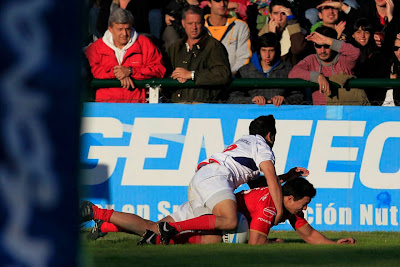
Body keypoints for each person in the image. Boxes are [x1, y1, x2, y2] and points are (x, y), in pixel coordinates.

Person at [80, 178, 356, 245]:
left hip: (210, 208)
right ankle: (96, 212)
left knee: (157, 232)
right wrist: (271, 241)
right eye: (304, 203)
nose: (305, 209)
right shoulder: (272, 203)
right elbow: (256, 243)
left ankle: (106, 226)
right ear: (291, 197)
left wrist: (335, 244)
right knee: (156, 232)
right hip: (208, 209)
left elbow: (308, 235)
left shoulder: (282, 202)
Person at [85, 8, 166, 102]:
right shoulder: (96, 48)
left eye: (127, 29)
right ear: (110, 29)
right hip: (105, 108)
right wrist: (115, 73)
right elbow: (88, 71)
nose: (124, 33)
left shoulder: (145, 44)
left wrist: (131, 71)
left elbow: (159, 70)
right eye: (120, 29)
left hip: (137, 105)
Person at [288, 26, 369, 105]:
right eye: (318, 46)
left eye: (326, 46)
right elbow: (293, 73)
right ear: (314, 46)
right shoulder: (311, 60)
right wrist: (317, 76)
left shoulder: (343, 60)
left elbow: (356, 54)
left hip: (348, 109)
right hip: (323, 113)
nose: (322, 51)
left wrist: (327, 40)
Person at [166, 5, 231, 103]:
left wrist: (192, 75)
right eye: (190, 23)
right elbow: (165, 73)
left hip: (204, 107)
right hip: (177, 106)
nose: (194, 27)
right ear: (183, 23)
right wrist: (174, 76)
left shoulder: (214, 46)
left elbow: (223, 73)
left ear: (203, 23)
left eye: (197, 23)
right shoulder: (175, 47)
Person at [229, 32, 304, 106]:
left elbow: (300, 96)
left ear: (277, 51)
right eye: (264, 50)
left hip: (281, 115)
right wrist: (251, 100)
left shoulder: (288, 69)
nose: (267, 55)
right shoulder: (244, 71)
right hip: (253, 115)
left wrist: (284, 100)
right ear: (259, 51)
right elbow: (233, 97)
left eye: (271, 51)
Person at [349, 18, 392, 105]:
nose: (363, 36)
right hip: (351, 101)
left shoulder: (378, 54)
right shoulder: (346, 53)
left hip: (374, 102)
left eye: (367, 32)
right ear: (353, 34)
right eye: (358, 32)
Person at [204, 0, 252, 75]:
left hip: (232, 81)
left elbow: (244, 58)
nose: (222, 4)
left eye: (225, 0)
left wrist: (228, 76)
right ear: (209, 3)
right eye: (217, 1)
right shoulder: (198, 26)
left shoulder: (240, 26)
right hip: (203, 81)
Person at [258, 0, 312, 65]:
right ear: (271, 16)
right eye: (276, 13)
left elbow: (298, 49)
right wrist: (271, 35)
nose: (279, 18)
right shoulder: (262, 33)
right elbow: (266, 58)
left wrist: (292, 21)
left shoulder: (296, 30)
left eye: (283, 14)